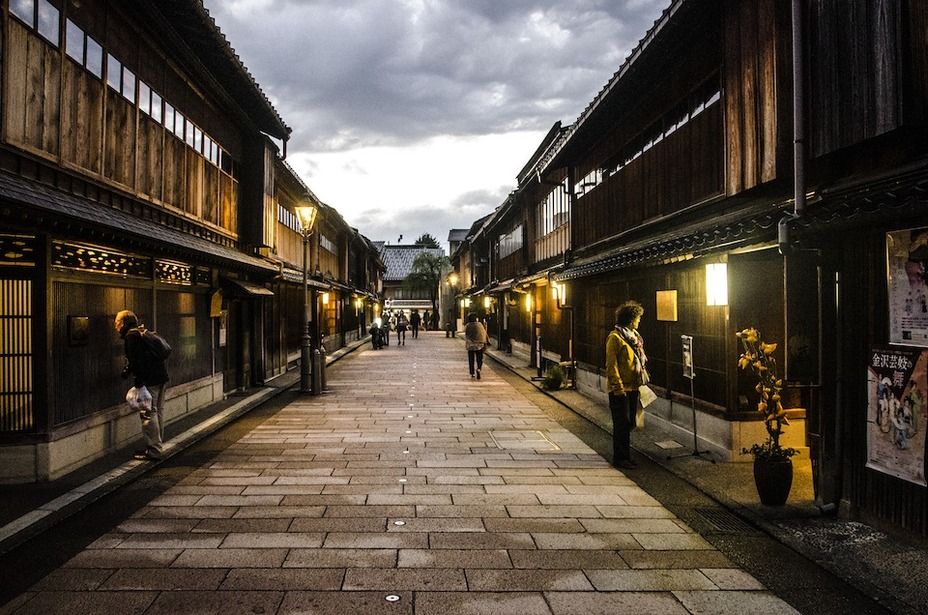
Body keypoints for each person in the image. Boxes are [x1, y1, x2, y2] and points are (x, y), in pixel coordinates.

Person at [116, 310, 169, 461]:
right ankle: (157, 445)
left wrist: (139, 385)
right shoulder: (141, 332)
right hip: (161, 377)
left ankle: (154, 450)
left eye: (117, 323)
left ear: (124, 323)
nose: (116, 326)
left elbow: (137, 361)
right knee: (157, 412)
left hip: (149, 381)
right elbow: (142, 357)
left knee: (148, 413)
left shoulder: (131, 337)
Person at [605, 300, 647, 470]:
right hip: (620, 389)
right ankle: (620, 457)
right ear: (631, 319)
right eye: (637, 318)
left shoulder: (634, 338)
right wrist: (618, 387)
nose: (639, 321)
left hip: (634, 386)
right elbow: (611, 365)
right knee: (621, 423)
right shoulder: (614, 338)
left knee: (630, 423)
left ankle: (626, 455)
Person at [464, 312, 489, 379]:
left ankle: (472, 373)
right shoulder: (480, 325)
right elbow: (484, 333)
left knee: (471, 359)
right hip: (480, 344)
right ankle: (479, 369)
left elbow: (466, 334)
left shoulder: (468, 325)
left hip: (471, 345)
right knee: (479, 358)